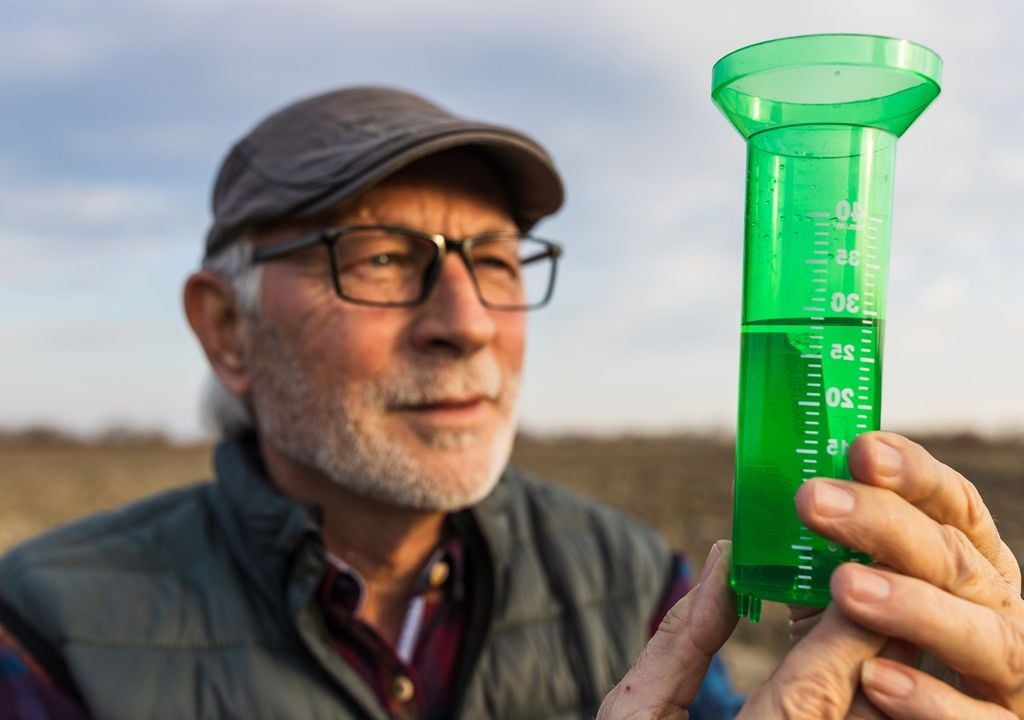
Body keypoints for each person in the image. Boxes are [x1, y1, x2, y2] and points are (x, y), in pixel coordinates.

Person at [1, 87, 1021, 720]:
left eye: (494, 260)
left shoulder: (635, 585)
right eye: (383, 257)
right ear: (227, 329)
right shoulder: (44, 635)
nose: (468, 321)